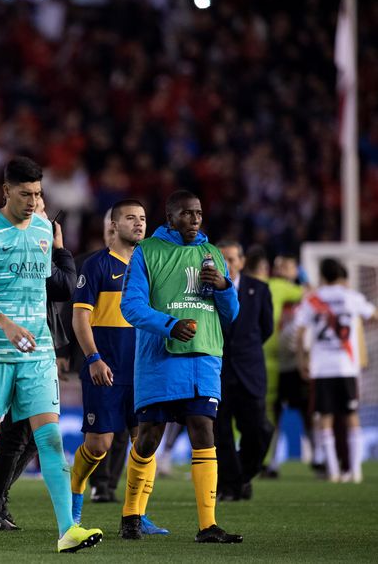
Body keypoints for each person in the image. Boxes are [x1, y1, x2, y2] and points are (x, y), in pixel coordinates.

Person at [0, 156, 102, 553]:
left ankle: (67, 530)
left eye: (37, 194)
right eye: (25, 194)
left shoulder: (42, 230)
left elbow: (53, 287)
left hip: (37, 352)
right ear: (6, 191)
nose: (33, 202)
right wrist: (6, 324)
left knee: (49, 438)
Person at [119, 189, 241, 543]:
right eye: (187, 213)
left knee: (204, 429)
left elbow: (231, 315)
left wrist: (224, 287)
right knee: (149, 438)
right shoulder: (147, 252)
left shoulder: (212, 254)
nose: (195, 220)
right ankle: (131, 514)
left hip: (204, 358)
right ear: (170, 217)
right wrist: (170, 325)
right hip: (161, 358)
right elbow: (131, 306)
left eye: (199, 213)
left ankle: (208, 525)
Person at [0, 194, 76, 531]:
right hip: (10, 347)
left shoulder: (35, 240)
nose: (38, 215)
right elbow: (65, 286)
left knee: (27, 436)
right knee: (14, 434)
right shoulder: (22, 244)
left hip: (36, 347)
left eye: (41, 208)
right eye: (36, 208)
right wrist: (60, 249)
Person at [69, 199, 168, 535]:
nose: (139, 223)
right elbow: (79, 318)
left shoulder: (152, 265)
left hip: (144, 371)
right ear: (113, 225)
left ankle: (136, 514)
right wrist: (93, 358)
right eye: (130, 218)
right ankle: (74, 499)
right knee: (99, 445)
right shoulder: (96, 265)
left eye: (142, 218)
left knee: (146, 442)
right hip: (106, 370)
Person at [294, 258, 376, 484]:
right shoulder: (352, 297)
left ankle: (333, 471)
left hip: (321, 369)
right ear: (342, 276)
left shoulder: (313, 299)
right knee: (352, 417)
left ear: (322, 275)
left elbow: (299, 334)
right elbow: (374, 316)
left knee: (325, 419)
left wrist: (302, 360)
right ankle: (355, 472)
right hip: (346, 367)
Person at [214, 240, 274, 500]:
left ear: (242, 261)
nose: (227, 264)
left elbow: (266, 329)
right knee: (221, 434)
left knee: (260, 430)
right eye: (222, 259)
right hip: (217, 372)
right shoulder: (205, 290)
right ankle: (230, 487)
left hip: (250, 372)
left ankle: (241, 477)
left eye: (231, 258)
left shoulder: (259, 289)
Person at [264, 254, 307, 477]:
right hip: (275, 362)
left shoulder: (302, 299)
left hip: (294, 364)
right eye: (279, 265)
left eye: (287, 265)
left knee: (306, 412)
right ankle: (270, 462)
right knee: (273, 412)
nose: (281, 268)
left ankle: (319, 458)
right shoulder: (275, 287)